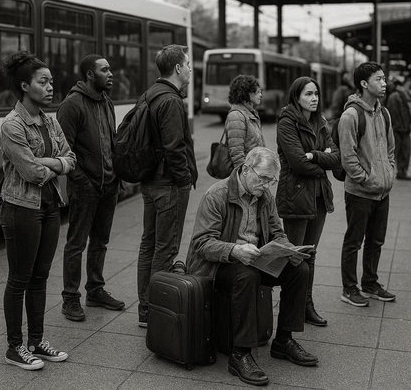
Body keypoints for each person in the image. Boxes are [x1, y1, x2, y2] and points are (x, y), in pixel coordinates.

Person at [186, 147, 318, 387]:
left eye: (271, 181)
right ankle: (240, 353)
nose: (267, 186)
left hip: (254, 258)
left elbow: (277, 233)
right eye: (263, 179)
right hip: (217, 266)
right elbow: (202, 244)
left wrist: (290, 251)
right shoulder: (217, 194)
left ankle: (284, 341)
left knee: (299, 270)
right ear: (246, 170)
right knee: (246, 275)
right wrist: (235, 250)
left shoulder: (264, 197)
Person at [0, 51, 76, 370]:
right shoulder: (12, 125)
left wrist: (52, 163)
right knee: (20, 278)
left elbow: (71, 158)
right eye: (42, 82)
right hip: (21, 208)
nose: (50, 87)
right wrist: (54, 165)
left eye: (51, 82)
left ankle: (37, 341)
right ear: (24, 85)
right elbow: (31, 173)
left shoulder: (51, 120)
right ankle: (14, 346)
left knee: (41, 276)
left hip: (49, 206)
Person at [57, 54, 125, 322]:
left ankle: (95, 290)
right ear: (89, 74)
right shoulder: (71, 105)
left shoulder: (106, 101)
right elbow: (64, 150)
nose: (111, 73)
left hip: (108, 185)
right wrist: (83, 181)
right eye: (104, 70)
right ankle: (70, 298)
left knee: (100, 241)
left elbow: (110, 140)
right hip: (85, 188)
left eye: (110, 68)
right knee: (76, 244)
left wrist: (115, 176)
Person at [137, 44, 198, 327]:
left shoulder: (149, 94)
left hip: (150, 181)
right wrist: (184, 180)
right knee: (166, 249)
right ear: (177, 68)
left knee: (148, 245)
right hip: (169, 185)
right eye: (187, 63)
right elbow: (175, 148)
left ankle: (145, 310)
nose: (190, 68)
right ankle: (156, 312)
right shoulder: (171, 101)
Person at [276, 76, 340, 327]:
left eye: (315, 94)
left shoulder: (321, 121)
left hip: (319, 198)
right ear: (296, 97)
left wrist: (314, 155)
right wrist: (319, 162)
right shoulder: (286, 122)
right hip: (296, 196)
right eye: (308, 94)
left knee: (310, 255)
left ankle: (306, 305)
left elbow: (336, 157)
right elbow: (296, 163)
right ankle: (290, 309)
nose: (313, 99)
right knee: (294, 257)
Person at [338, 61, 396, 307]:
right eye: (379, 79)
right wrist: (366, 178)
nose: (384, 83)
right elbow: (348, 156)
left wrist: (389, 173)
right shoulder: (351, 115)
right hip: (360, 192)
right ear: (364, 84)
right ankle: (349, 288)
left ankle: (370, 283)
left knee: (376, 241)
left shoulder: (384, 112)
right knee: (354, 241)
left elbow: (391, 149)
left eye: (384, 79)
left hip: (382, 191)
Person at [225, 74, 265, 169]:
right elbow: (236, 153)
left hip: (255, 170)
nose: (261, 95)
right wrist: (245, 174)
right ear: (248, 93)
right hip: (248, 174)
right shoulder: (237, 116)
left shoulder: (251, 113)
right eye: (258, 92)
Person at [386, 80, 411, 179]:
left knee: (403, 150)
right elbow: (394, 113)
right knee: (401, 150)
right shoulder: (396, 96)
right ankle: (400, 171)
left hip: (402, 128)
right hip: (400, 129)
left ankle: (401, 171)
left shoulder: (401, 96)